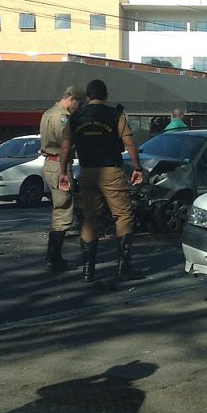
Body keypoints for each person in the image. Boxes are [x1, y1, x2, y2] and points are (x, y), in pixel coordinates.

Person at [58, 79, 143, 282]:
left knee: (90, 218)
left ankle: (89, 270)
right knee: (123, 216)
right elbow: (129, 143)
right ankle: (123, 267)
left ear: (88, 97)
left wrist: (63, 171)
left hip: (86, 171)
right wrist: (137, 167)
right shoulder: (115, 115)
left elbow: (65, 146)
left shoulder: (76, 117)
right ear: (105, 96)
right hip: (111, 170)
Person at [39, 85, 86, 271]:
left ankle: (54, 256)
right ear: (72, 99)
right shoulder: (62, 117)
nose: (79, 107)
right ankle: (53, 258)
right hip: (59, 164)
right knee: (63, 211)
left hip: (51, 163)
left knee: (60, 209)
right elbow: (67, 142)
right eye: (79, 103)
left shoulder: (48, 113)